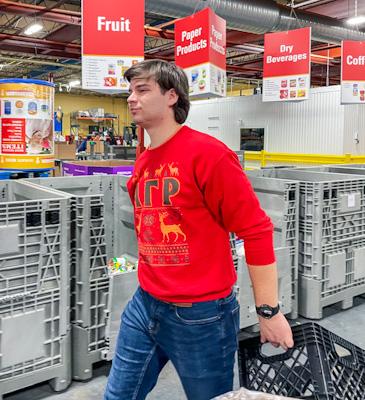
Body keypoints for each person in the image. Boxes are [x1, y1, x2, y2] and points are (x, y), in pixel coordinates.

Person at [104, 60, 294, 400]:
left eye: (142, 90)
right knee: (118, 395)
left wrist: (269, 311)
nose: (131, 98)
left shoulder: (209, 155)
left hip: (201, 315)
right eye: (130, 91)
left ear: (171, 96)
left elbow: (256, 231)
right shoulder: (145, 156)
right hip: (145, 302)